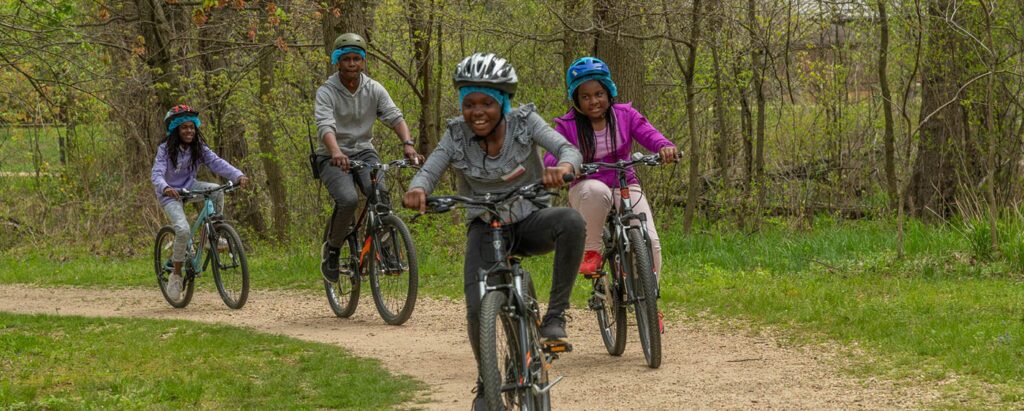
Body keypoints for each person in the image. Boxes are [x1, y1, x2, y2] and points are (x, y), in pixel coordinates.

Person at [402, 52, 584, 409]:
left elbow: (567, 149)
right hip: (485, 227)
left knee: (572, 222)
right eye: (469, 103)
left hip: (529, 220)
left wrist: (562, 166)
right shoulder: (455, 135)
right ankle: (487, 382)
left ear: (502, 102)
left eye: (487, 102)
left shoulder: (525, 122)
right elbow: (431, 169)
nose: (477, 111)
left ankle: (554, 318)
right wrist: (419, 189)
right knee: (476, 308)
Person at [545, 56, 677, 288]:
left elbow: (650, 134)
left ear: (609, 92)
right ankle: (591, 252)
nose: (593, 101)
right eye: (585, 97)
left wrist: (664, 147)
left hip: (624, 183)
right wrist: (561, 168)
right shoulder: (567, 126)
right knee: (596, 191)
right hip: (587, 189)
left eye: (599, 94)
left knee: (651, 241)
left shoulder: (625, 115)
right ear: (575, 99)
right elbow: (555, 152)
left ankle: (649, 300)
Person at [314, 32, 423, 282]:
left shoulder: (373, 88)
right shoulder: (327, 91)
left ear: (363, 62)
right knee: (349, 200)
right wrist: (336, 151)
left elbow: (394, 116)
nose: (352, 63)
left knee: (380, 197)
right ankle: (332, 249)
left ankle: (386, 251)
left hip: (364, 151)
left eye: (357, 59)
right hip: (332, 155)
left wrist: (408, 144)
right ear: (337, 62)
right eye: (346, 59)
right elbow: (325, 126)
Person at [151, 104, 249, 300]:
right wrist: (165, 187)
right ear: (176, 130)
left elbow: (217, 162)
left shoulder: (198, 148)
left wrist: (238, 175)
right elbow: (157, 174)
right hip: (170, 194)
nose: (189, 131)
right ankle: (176, 275)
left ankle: (212, 232)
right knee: (183, 230)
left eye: (192, 127)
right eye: (184, 127)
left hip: (189, 187)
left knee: (216, 190)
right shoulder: (165, 150)